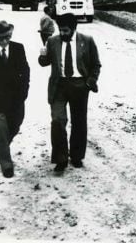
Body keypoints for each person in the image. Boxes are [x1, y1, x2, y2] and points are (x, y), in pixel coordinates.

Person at [38, 13, 101, 173]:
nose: (63, 33)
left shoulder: (87, 41)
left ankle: (77, 156)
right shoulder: (52, 41)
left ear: (74, 28)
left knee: (79, 122)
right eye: (60, 30)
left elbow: (96, 65)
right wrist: (43, 54)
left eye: (66, 30)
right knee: (57, 121)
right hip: (58, 85)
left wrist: (90, 81)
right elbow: (44, 63)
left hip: (80, 85)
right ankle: (61, 159)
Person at [0, 21, 30, 178]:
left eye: (7, 37)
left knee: (16, 124)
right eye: (0, 38)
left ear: (10, 35)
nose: (4, 41)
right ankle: (6, 164)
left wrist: (24, 92)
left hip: (16, 99)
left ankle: (3, 146)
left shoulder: (18, 48)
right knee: (1, 133)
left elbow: (25, 71)